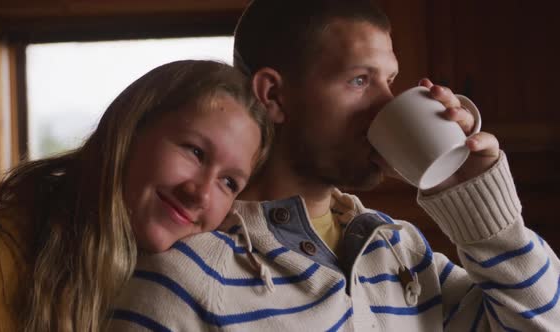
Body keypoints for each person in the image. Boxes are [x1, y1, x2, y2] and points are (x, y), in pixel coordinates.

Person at [110, 0, 560, 331]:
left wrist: (485, 215)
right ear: (274, 96)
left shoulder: (402, 252)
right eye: (359, 81)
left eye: (390, 81)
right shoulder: (184, 277)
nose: (385, 105)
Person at [0, 60, 273, 331]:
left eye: (229, 183)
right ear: (130, 129)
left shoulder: (206, 278)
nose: (201, 194)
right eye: (195, 152)